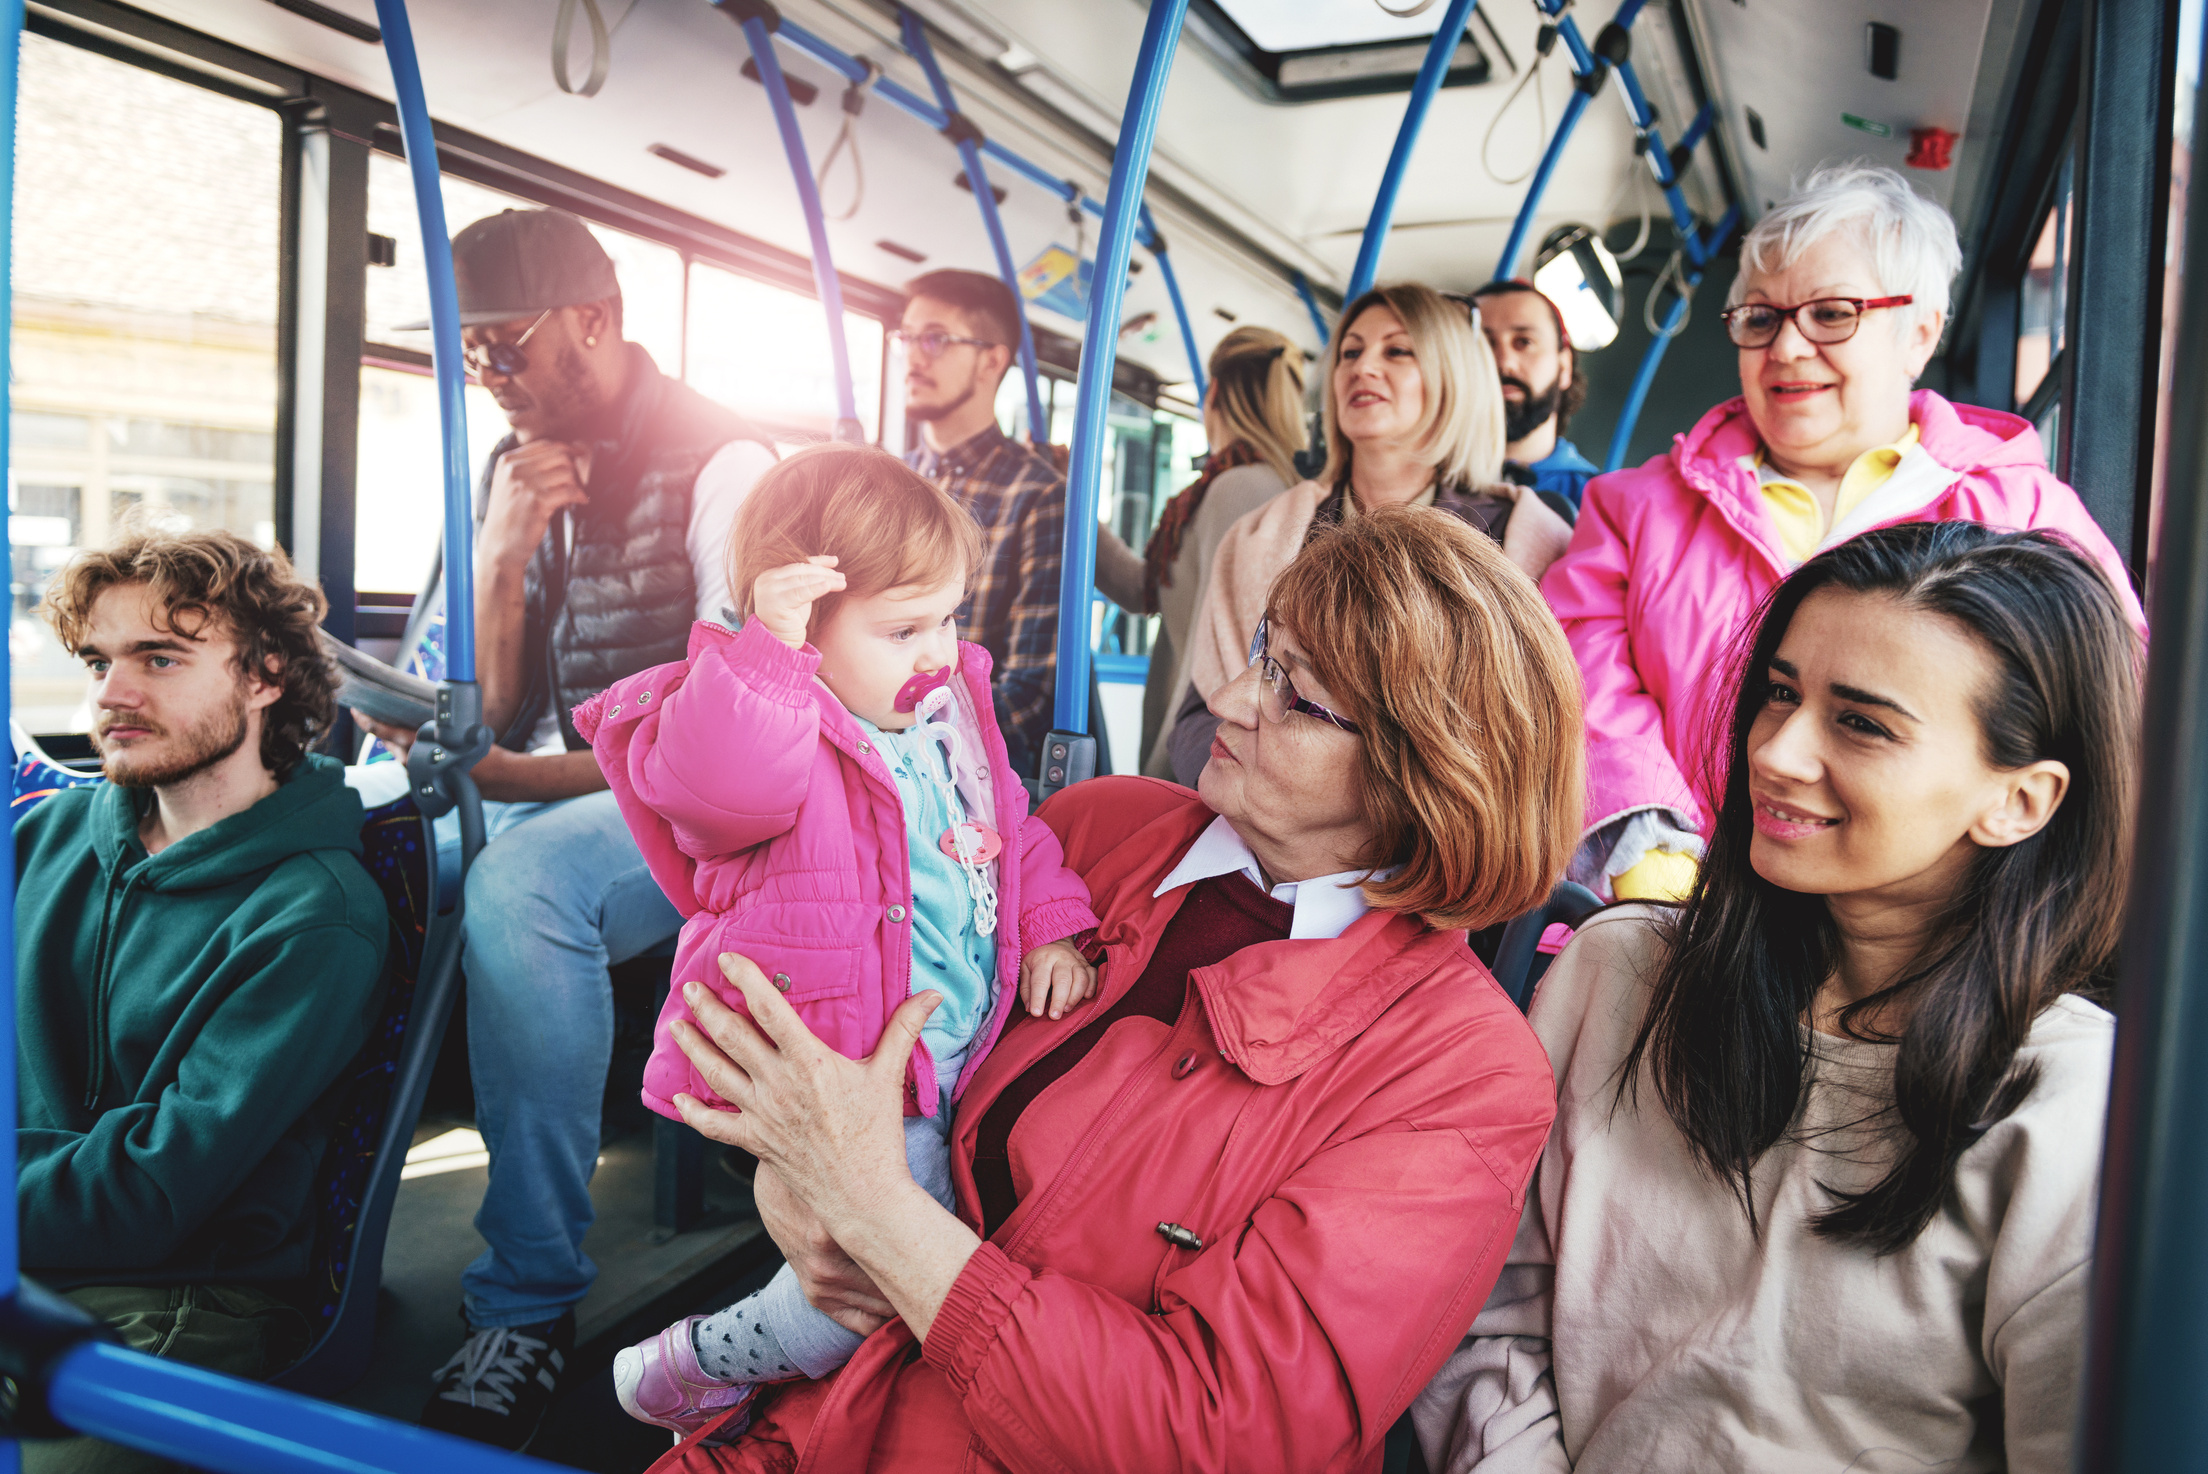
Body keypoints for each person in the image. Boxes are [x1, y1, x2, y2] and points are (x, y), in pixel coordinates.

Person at [638, 506, 1581, 1473]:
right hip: (799, 1423)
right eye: (1266, 654)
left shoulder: (1465, 1076)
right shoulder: (1094, 831)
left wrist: (877, 1212)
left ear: (1425, 776)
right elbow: (846, 1013)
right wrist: (790, 1185)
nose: (1230, 697)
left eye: (1298, 699)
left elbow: (1221, 1435)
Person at [1416, 522, 2139, 1474]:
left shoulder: (2076, 1104)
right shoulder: (1620, 974)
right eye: (1781, 693)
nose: (1778, 751)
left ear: (2021, 801)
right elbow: (1484, 1320)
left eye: (1863, 722)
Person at [346, 206, 778, 1447]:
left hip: (708, 815)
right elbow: (499, 699)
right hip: (563, 773)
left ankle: (527, 1303)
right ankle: (278, 1229)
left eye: (507, 345)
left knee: (525, 885)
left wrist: (512, 779)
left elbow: (721, 733)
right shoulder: (508, 469)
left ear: (597, 321)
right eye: (471, 354)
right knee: (346, 839)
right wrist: (500, 552)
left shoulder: (724, 463)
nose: (489, 379)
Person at [573, 444, 1100, 1438]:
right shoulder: (777, 730)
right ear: (806, 629)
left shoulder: (949, 727)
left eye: (948, 618)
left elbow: (1012, 837)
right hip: (836, 1070)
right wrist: (763, 655)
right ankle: (709, 1358)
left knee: (921, 1257)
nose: (939, 652)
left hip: (942, 1057)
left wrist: (1050, 928)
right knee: (878, 1283)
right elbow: (710, 789)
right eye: (904, 628)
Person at [1543, 163, 2145, 906]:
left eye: (1832, 314)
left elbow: (2110, 724)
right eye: (1760, 319)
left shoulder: (2025, 516)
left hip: (1936, 926)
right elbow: (1575, 685)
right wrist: (1657, 862)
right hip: (1689, 900)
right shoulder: (1633, 508)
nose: (1788, 349)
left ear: (1918, 332)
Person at [17, 530, 389, 1474]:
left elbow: (151, 1195)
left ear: (264, 677)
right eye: (101, 661)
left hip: (186, 1290)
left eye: (161, 658)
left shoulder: (315, 917)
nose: (111, 694)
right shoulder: (45, 837)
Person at [1166, 281, 1575, 785]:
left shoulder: (1521, 537)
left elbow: (1532, 743)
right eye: (1351, 352)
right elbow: (1195, 722)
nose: (1363, 367)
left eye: (1398, 350)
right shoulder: (1258, 535)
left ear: (1453, 378)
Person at [1091, 325, 1306, 776]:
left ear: (1215, 400)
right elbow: (1142, 589)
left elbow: (1217, 647)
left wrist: (1167, 762)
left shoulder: (1241, 488)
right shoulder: (1249, 486)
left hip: (1199, 743)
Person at [898, 268, 1065, 776]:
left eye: (935, 339)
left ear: (991, 360)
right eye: (906, 338)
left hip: (959, 774)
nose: (913, 355)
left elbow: (1028, 697)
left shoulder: (1037, 495)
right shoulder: (892, 480)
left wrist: (895, 730)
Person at [1471, 280, 1600, 510]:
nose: (1504, 364)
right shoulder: (1418, 483)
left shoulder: (1599, 502)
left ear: (1564, 366)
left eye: (1524, 342)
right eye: (1484, 344)